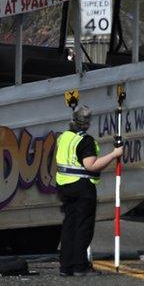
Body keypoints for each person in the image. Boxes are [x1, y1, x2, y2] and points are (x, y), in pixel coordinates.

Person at [55, 105, 124, 276]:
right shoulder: (85, 141)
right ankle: (80, 266)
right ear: (87, 123)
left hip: (64, 185)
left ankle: (66, 266)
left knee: (69, 225)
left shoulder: (64, 137)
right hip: (82, 186)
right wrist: (114, 154)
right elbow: (91, 165)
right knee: (83, 227)